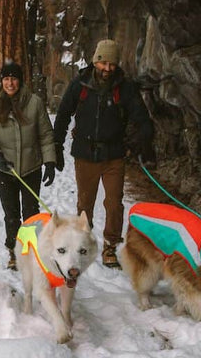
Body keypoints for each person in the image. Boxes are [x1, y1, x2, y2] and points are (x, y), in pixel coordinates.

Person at [53, 39, 155, 269]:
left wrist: (142, 145)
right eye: (103, 63)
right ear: (95, 61)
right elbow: (62, 116)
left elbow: (142, 119)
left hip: (114, 154)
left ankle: (110, 246)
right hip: (85, 154)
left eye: (112, 64)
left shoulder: (125, 88)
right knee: (85, 204)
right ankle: (83, 242)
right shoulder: (80, 84)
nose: (107, 69)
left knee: (113, 203)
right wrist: (56, 147)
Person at [0, 62, 57, 271]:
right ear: (1, 80)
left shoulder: (34, 103)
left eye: (14, 78)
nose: (10, 83)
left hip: (31, 168)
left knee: (31, 214)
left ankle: (29, 250)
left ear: (20, 80)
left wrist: (49, 161)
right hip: (5, 170)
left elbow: (45, 135)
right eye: (6, 79)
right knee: (11, 213)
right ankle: (14, 252)